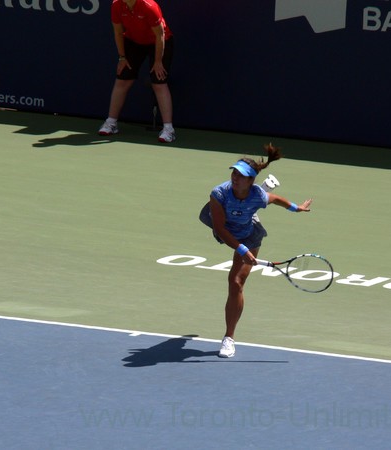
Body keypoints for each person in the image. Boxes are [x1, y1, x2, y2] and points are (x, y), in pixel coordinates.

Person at [199, 144, 313, 358]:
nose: (235, 177)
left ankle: (229, 338)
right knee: (216, 216)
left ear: (250, 181)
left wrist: (296, 207)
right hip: (223, 224)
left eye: (241, 176)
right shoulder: (219, 193)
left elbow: (277, 200)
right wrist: (241, 249)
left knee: (236, 282)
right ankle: (250, 201)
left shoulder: (258, 196)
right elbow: (220, 229)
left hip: (249, 231)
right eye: (234, 173)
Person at [98, 0, 175, 143]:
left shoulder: (149, 6)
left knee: (159, 82)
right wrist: (122, 57)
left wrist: (158, 61)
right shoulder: (116, 5)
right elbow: (118, 31)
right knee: (122, 79)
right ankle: (111, 123)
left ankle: (169, 129)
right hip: (133, 42)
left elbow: (160, 35)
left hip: (159, 42)